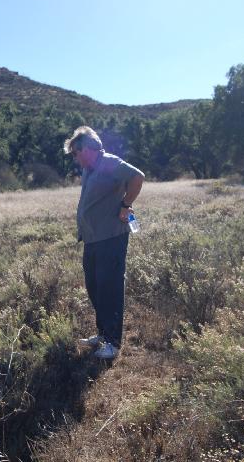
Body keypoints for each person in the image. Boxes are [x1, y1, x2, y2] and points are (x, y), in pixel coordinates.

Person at [64, 126, 144, 359]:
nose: (75, 158)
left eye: (75, 153)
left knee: (110, 288)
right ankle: (103, 333)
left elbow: (137, 177)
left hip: (110, 236)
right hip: (93, 238)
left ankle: (113, 343)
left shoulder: (108, 162)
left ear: (87, 149)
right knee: (95, 286)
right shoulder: (90, 168)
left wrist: (125, 205)